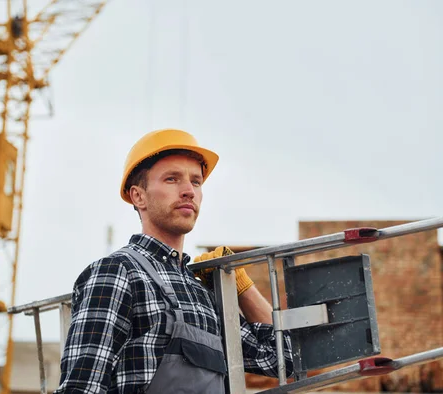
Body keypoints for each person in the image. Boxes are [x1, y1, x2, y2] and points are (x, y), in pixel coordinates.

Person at [54, 129, 294, 394]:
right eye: (172, 179)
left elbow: (281, 359)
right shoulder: (117, 272)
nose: (188, 191)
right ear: (138, 196)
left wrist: (240, 287)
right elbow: (81, 389)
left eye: (196, 182)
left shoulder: (202, 295)